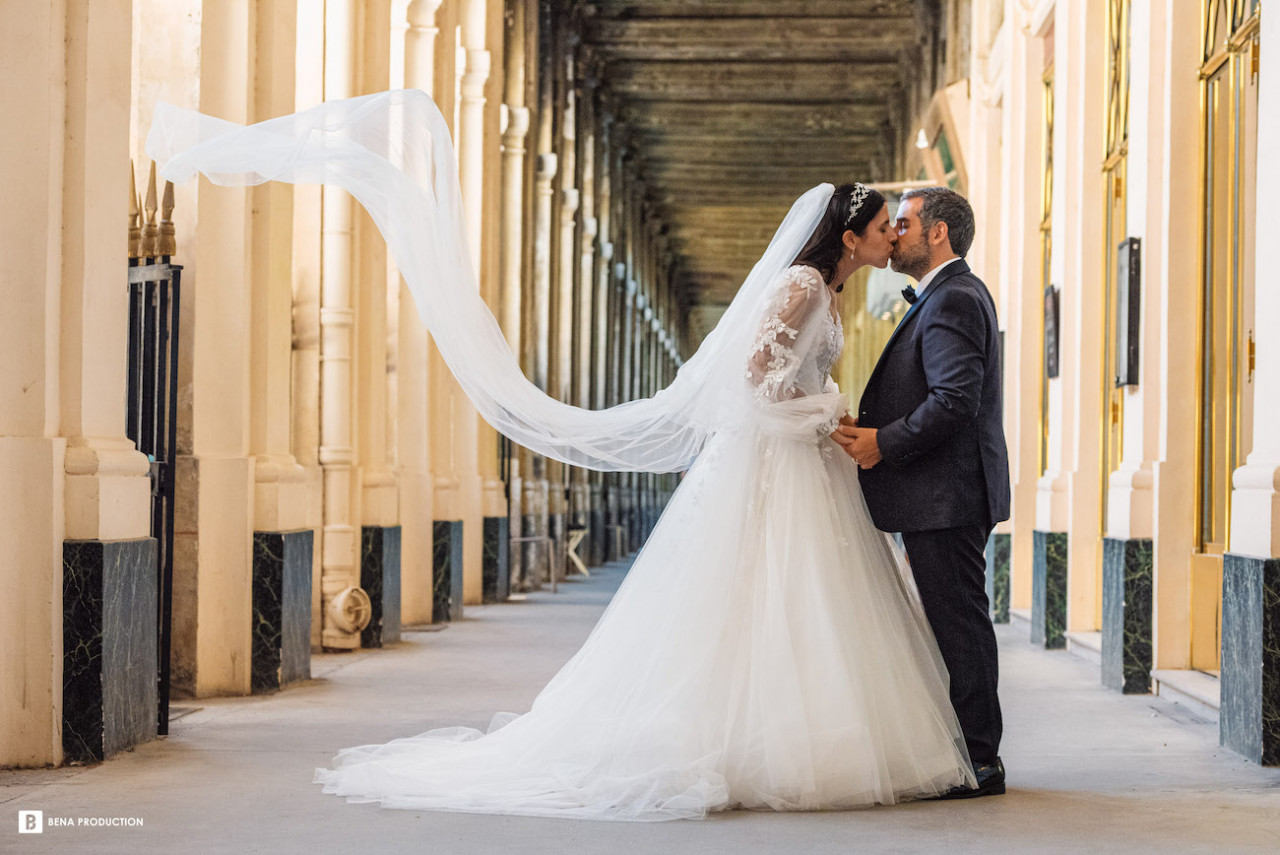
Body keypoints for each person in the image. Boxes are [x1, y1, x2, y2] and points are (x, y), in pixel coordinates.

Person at [148, 91, 976, 821]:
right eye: (879, 227)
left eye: (892, 228)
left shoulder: (829, 289)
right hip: (778, 466)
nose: (886, 237)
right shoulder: (799, 287)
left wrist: (824, 415)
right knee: (758, 607)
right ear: (848, 232)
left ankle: (804, 738)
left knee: (802, 610)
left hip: (805, 471)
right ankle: (752, 745)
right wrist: (826, 411)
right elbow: (755, 389)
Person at [834, 187, 1011, 799]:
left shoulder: (954, 298)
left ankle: (980, 762)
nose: (894, 234)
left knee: (957, 623)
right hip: (942, 492)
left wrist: (884, 442)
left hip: (948, 494)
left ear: (936, 233)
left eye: (902, 223)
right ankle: (969, 752)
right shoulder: (950, 294)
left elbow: (954, 402)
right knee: (952, 621)